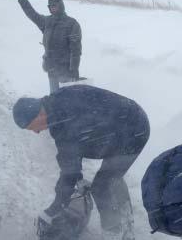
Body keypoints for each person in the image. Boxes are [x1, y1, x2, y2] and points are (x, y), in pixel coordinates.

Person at [12, 85, 150, 240]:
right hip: (123, 125)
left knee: (102, 185)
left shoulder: (64, 122)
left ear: (38, 115)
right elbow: (69, 161)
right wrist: (77, 177)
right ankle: (124, 224)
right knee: (110, 177)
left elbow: (68, 171)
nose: (36, 132)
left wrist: (54, 208)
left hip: (132, 131)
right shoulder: (57, 106)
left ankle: (114, 233)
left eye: (32, 128)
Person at [13, 0, 82, 93]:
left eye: (54, 6)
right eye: (50, 7)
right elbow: (32, 14)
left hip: (66, 71)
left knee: (67, 100)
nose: (52, 9)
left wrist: (74, 69)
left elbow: (76, 50)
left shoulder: (72, 24)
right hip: (52, 69)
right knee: (54, 99)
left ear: (61, 6)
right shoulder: (47, 22)